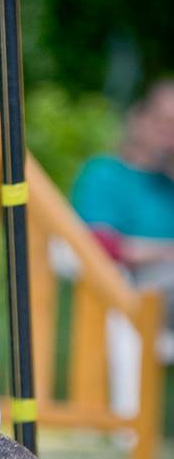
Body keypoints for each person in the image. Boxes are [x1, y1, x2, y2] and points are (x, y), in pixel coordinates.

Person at [72, 81, 174, 418]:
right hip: (129, 287)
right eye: (162, 121)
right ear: (138, 119)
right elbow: (99, 244)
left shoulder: (167, 185)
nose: (168, 133)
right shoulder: (105, 173)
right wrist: (161, 252)